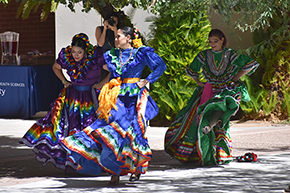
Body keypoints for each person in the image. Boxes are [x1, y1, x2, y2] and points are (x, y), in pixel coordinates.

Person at [61, 26, 167, 185]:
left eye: (118, 36)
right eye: (116, 37)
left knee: (133, 132)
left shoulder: (141, 53)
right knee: (109, 128)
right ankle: (114, 171)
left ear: (129, 38)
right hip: (116, 96)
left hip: (134, 97)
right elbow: (98, 60)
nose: (116, 40)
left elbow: (160, 66)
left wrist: (146, 81)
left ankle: (135, 168)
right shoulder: (111, 55)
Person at [164, 29, 259, 166]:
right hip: (209, 90)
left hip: (226, 89)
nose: (212, 44)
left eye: (215, 41)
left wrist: (237, 77)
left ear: (222, 40)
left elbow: (250, 64)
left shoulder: (231, 55)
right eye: (210, 42)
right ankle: (197, 153)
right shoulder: (204, 55)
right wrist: (199, 83)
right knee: (194, 117)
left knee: (222, 104)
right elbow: (192, 70)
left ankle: (217, 147)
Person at [19, 33, 109, 172]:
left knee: (91, 129)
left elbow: (113, 70)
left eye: (79, 52)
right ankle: (73, 164)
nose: (76, 55)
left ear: (85, 50)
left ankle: (93, 165)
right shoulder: (66, 56)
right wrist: (64, 81)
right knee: (70, 130)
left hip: (91, 98)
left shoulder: (95, 56)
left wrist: (102, 83)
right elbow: (55, 67)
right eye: (73, 51)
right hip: (72, 98)